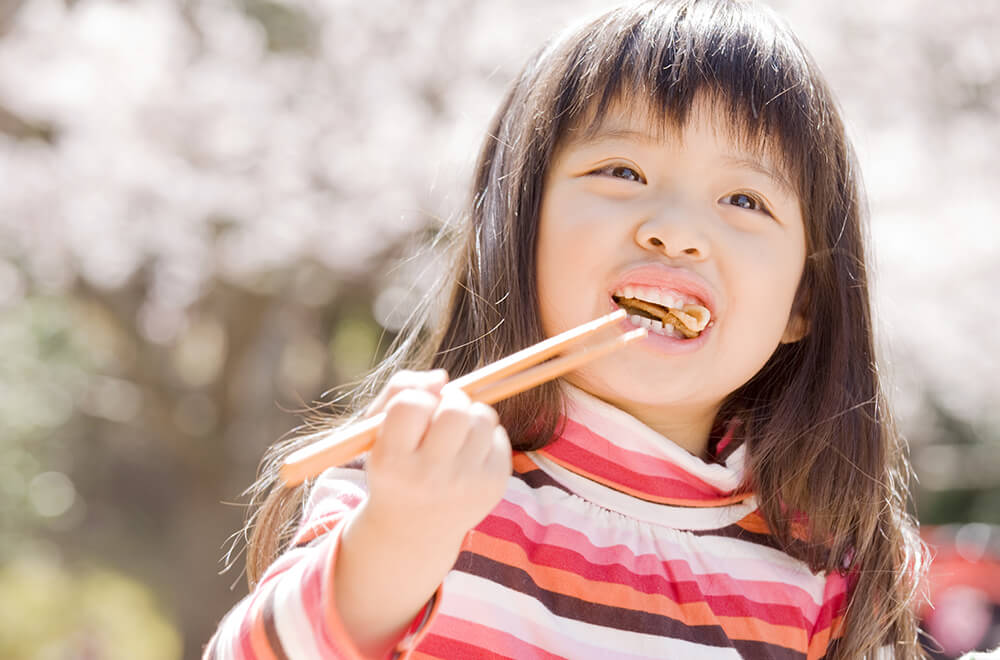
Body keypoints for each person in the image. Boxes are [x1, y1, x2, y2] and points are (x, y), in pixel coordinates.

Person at [205, 0, 929, 658]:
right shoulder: (426, 480)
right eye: (621, 170)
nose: (675, 233)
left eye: (743, 198)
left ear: (805, 299)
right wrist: (399, 539)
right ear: (518, 232)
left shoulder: (819, 574)